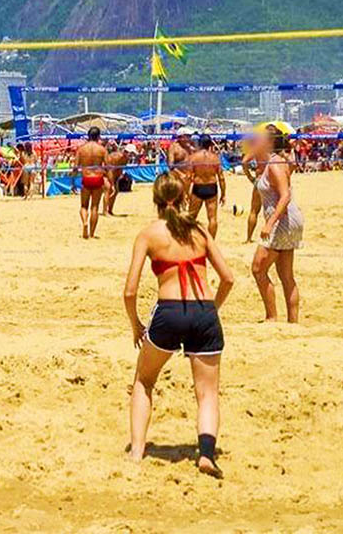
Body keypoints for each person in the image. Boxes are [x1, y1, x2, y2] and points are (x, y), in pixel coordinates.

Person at [123, 172, 234, 478]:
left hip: (169, 312)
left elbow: (130, 291)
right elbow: (228, 278)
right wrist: (213, 309)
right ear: (185, 196)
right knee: (208, 393)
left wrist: (135, 325)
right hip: (204, 312)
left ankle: (137, 451)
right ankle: (207, 454)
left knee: (144, 380)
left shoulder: (149, 234)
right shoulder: (198, 230)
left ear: (155, 200)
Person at [249, 125, 305, 323]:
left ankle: (271, 317)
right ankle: (292, 322)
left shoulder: (274, 164)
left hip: (282, 220)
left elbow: (285, 195)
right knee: (285, 274)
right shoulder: (274, 161)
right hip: (287, 219)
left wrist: (269, 223)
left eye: (261, 138)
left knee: (258, 268)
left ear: (270, 142)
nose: (256, 140)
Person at [186, 135, 226, 238]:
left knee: (191, 217)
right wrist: (223, 193)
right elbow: (221, 177)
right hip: (211, 187)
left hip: (198, 186)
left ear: (200, 144)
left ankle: (189, 238)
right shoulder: (215, 158)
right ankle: (211, 241)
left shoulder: (194, 157)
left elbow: (188, 177)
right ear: (210, 145)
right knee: (212, 218)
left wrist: (186, 193)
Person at [75, 127, 109, 238]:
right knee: (95, 207)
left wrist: (72, 179)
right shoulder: (102, 150)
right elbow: (108, 166)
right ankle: (92, 233)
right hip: (98, 178)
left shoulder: (81, 149)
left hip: (86, 177)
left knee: (83, 206)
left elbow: (75, 167)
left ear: (88, 136)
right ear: (98, 136)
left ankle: (85, 222)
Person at [104, 141, 129, 216]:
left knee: (116, 191)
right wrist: (112, 183)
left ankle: (110, 210)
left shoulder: (126, 159)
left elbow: (119, 169)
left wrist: (118, 177)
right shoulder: (116, 157)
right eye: (131, 153)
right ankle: (105, 211)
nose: (132, 155)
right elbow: (109, 170)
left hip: (114, 175)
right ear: (125, 152)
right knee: (108, 189)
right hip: (105, 173)